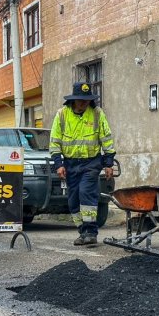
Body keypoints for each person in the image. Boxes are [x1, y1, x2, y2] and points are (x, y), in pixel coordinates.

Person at [49, 82, 116, 246]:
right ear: (74, 100)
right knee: (73, 200)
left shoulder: (97, 114)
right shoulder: (62, 115)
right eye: (81, 100)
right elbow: (55, 142)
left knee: (86, 193)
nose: (84, 103)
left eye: (87, 100)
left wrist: (108, 163)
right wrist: (59, 164)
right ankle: (83, 232)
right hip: (71, 164)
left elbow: (106, 139)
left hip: (91, 163)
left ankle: (91, 232)